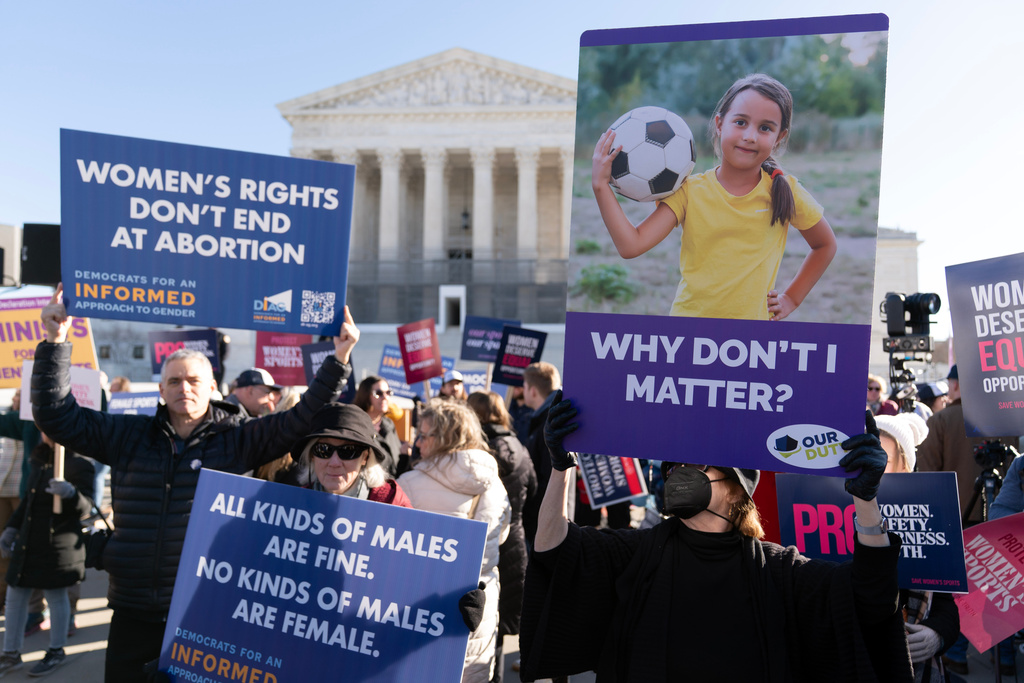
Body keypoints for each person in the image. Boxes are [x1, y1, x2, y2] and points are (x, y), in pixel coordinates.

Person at [30, 284, 360, 683]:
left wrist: (338, 358)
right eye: (173, 381)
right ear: (160, 389)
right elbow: (57, 417)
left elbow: (301, 418)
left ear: (212, 389)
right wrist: (55, 341)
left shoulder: (238, 440)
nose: (183, 388)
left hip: (203, 610)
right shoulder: (128, 435)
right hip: (132, 609)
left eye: (192, 381)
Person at [519, 395, 911, 682]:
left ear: (738, 490)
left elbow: (871, 596)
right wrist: (559, 469)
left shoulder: (777, 569)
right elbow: (552, 547)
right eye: (675, 465)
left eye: (696, 465)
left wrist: (866, 500)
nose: (678, 472)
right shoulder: (638, 551)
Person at [592, 73, 837, 321]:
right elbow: (631, 245)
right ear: (720, 124)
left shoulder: (785, 190)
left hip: (752, 338)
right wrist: (601, 185)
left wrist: (791, 298)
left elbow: (825, 245)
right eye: (741, 122)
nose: (750, 136)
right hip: (688, 331)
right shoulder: (690, 191)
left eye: (765, 128)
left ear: (779, 138)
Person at [398, 399, 511, 683]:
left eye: (424, 435)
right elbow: (503, 534)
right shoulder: (495, 484)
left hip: (422, 603)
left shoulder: (410, 483)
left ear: (445, 438)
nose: (418, 443)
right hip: (479, 602)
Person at [0, 432, 95, 677]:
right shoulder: (40, 460)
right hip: (29, 542)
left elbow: (87, 507)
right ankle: (10, 653)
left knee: (56, 596)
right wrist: (11, 528)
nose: (44, 432)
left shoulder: (80, 464)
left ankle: (56, 650)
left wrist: (71, 494)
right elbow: (28, 502)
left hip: (58, 544)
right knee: (15, 593)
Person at [874, 414, 959, 682]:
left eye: (880, 460)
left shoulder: (932, 515)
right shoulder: (831, 510)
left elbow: (946, 603)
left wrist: (938, 633)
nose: (870, 467)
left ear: (904, 468)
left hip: (914, 669)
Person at [467, 391, 537, 682]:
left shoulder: (481, 454)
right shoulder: (519, 445)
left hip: (487, 546)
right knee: (500, 624)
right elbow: (534, 491)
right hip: (517, 541)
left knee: (480, 627)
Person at [292, 402, 412, 506]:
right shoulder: (293, 503)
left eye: (348, 451)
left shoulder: (391, 502)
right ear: (311, 455)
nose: (334, 463)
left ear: (365, 457)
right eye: (323, 449)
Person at [521, 362, 574, 543]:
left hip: (547, 521)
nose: (523, 390)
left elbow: (547, 477)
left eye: (525, 386)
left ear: (533, 391)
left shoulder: (550, 425)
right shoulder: (550, 419)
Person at [352, 375, 403, 477]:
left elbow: (396, 465)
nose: (385, 397)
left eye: (388, 392)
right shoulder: (356, 426)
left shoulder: (389, 424)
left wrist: (405, 455)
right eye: (378, 393)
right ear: (365, 396)